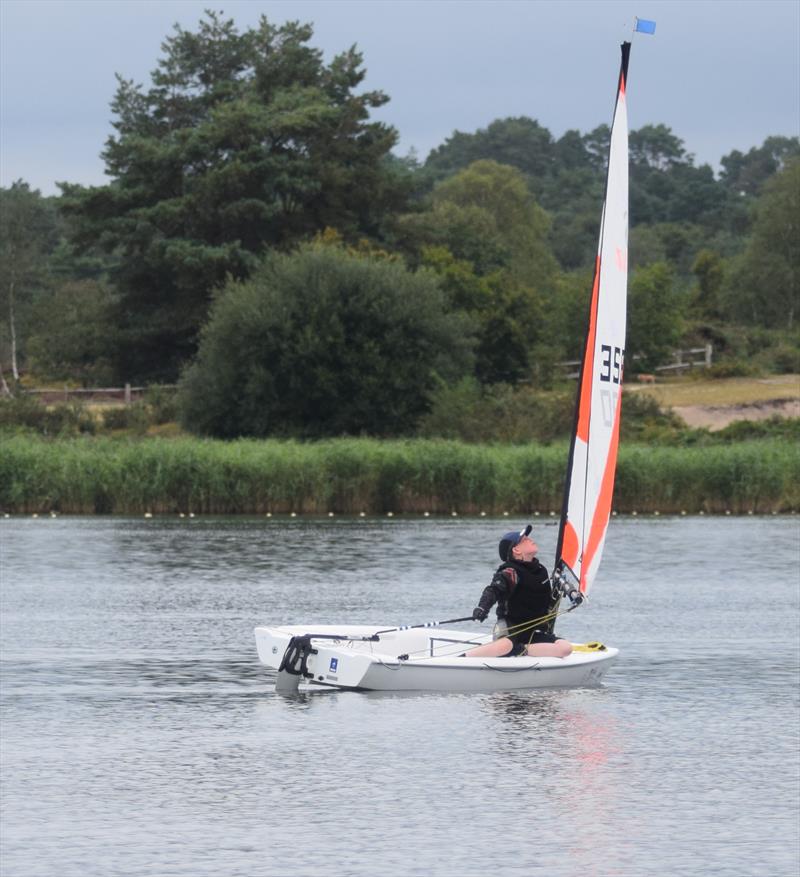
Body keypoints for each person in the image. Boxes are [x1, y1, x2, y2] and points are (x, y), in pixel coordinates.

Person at [463, 525, 573, 658]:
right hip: (510, 631)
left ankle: (519, 650)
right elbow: (493, 590)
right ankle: (460, 659)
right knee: (505, 646)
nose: (530, 540)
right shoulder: (511, 572)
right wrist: (482, 607)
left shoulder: (541, 570)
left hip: (532, 633)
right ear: (516, 550)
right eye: (525, 540)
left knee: (565, 648)